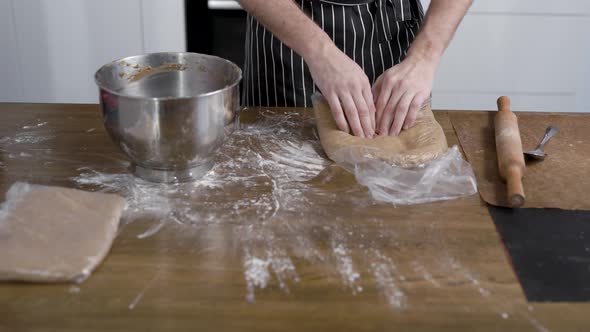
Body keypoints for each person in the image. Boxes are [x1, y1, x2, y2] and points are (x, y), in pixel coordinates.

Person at [239, 0, 472, 138]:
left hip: (394, 27)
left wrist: (425, 55)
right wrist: (318, 51)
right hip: (290, 35)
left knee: (401, 185)